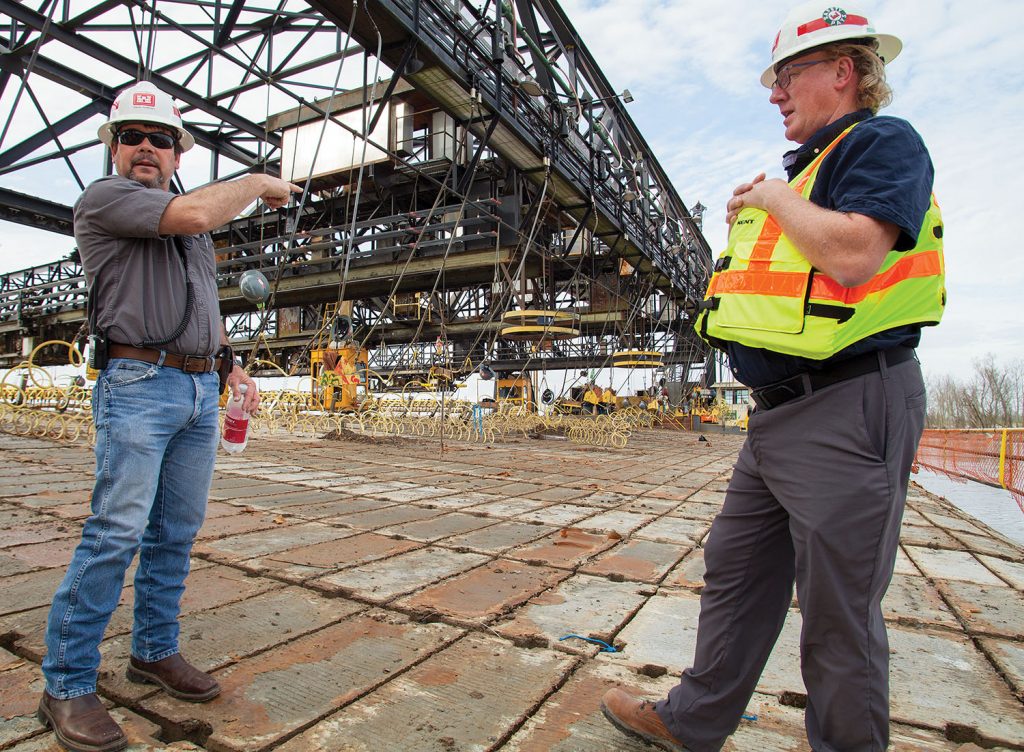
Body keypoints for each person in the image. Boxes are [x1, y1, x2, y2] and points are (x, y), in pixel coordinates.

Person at [601, 3, 944, 751]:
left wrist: (772, 199)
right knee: (737, 566)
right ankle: (692, 721)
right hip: (779, 414)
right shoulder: (812, 171)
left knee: (837, 613)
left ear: (843, 73)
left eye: (789, 75)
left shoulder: (884, 142)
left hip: (849, 403)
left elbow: (854, 255)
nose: (775, 92)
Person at [38, 81, 300, 752]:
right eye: (133, 137)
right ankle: (66, 684)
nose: (146, 148)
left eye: (160, 139)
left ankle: (153, 650)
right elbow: (194, 217)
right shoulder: (107, 200)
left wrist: (228, 365)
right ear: (115, 150)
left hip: (193, 392)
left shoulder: (188, 232)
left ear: (178, 153)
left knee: (175, 532)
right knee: (115, 532)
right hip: (136, 384)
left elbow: (196, 304)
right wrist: (257, 180)